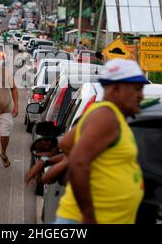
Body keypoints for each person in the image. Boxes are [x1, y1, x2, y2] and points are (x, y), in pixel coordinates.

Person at [55, 59, 149, 224]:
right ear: (115, 89)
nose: (141, 95)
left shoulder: (103, 113)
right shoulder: (106, 117)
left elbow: (66, 143)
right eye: (137, 89)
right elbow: (78, 161)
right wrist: (89, 215)